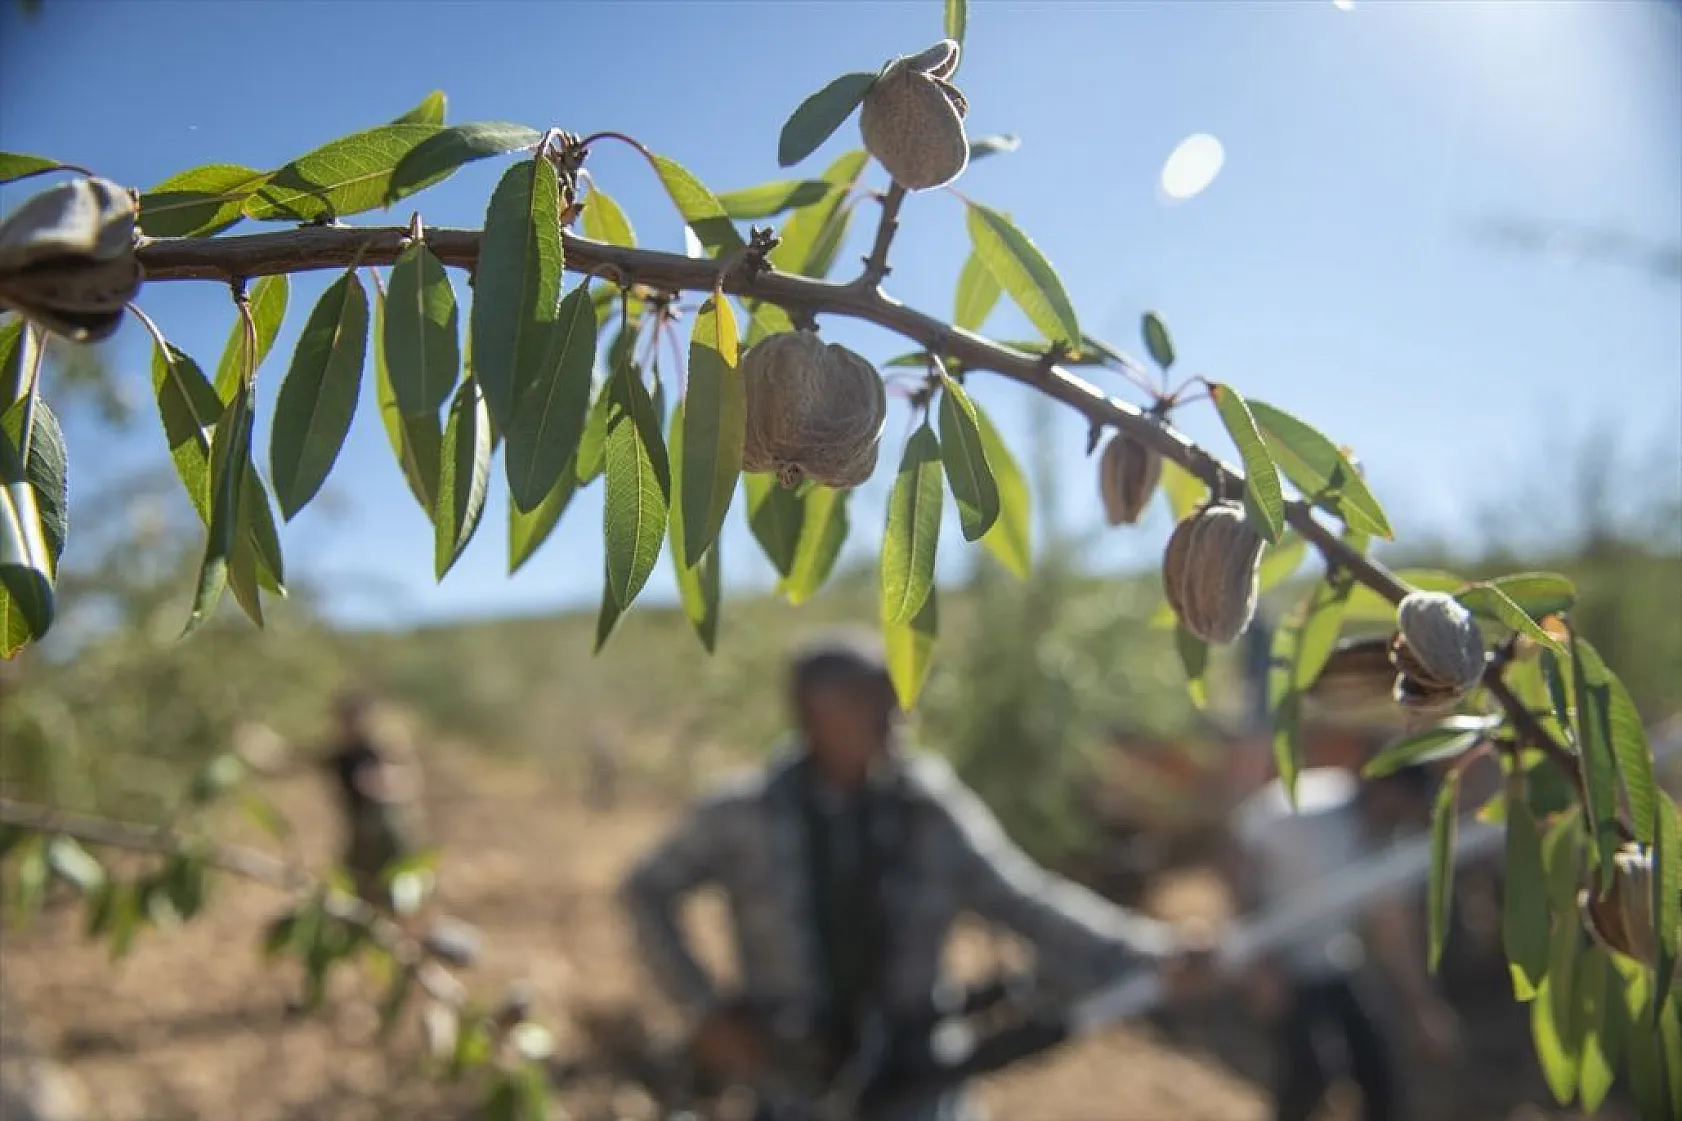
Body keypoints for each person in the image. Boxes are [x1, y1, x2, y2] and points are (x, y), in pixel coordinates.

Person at [618, 629, 1215, 1121]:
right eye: (866, 698)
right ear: (811, 713)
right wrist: (706, 1013)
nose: (891, 713)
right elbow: (645, 891)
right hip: (793, 1085)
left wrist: (1149, 953)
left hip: (920, 1081)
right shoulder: (743, 815)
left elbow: (1024, 900)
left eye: (894, 693)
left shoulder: (928, 809)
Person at [1226, 761, 1460, 1121]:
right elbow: (1240, 857)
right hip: (1278, 963)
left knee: (1379, 1072)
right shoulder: (1305, 806)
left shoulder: (1390, 844)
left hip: (1330, 961)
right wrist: (1256, 961)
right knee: (1313, 1071)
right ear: (1387, 790)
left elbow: (1393, 934)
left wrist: (1422, 1009)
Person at [319, 687, 425, 909]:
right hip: (360, 833)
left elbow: (403, 781)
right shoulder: (340, 756)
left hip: (384, 830)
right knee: (356, 892)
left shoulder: (376, 751)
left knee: (398, 894)